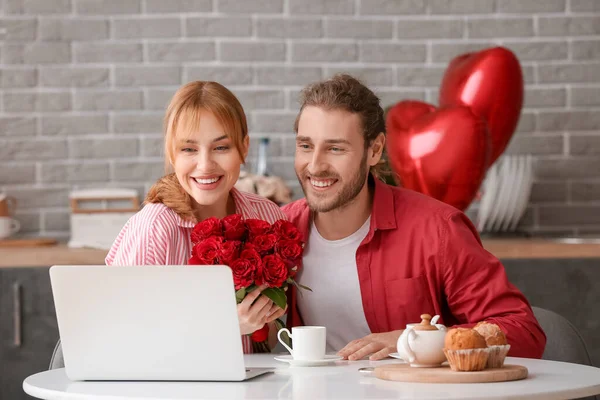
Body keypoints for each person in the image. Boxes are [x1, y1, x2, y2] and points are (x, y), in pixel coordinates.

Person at [282, 74, 546, 361]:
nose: (316, 165)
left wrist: (417, 341)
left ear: (375, 150)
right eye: (305, 146)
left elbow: (523, 331)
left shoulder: (438, 229)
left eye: (335, 148)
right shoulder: (280, 229)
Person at [106, 81, 286, 352]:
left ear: (244, 148)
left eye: (221, 147)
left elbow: (274, 343)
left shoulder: (267, 215)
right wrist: (224, 326)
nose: (205, 165)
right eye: (189, 149)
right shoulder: (154, 229)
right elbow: (122, 344)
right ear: (171, 153)